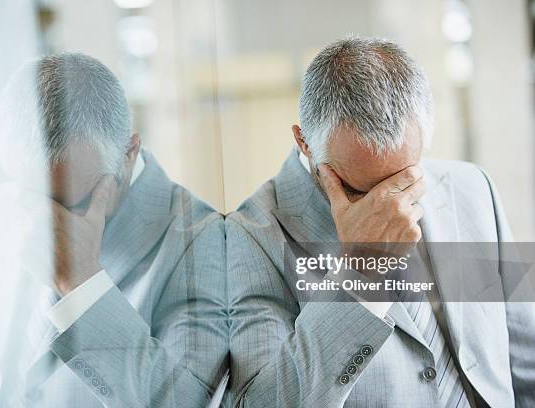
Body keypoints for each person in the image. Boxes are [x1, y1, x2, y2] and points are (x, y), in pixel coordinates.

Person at [226, 37, 535, 407]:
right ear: (304, 142)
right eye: (362, 191)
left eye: (406, 179)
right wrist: (360, 274)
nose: (391, 206)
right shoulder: (247, 238)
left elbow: (524, 356)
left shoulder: (472, 187)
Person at [0, 53, 228, 407]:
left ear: (128, 154)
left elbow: (187, 402)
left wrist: (83, 287)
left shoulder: (205, 239)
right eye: (27, 193)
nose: (43, 220)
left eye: (69, 202)